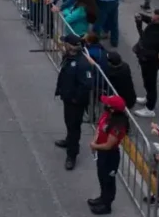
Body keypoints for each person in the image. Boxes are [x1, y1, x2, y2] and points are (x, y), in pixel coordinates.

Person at [54, 33, 94, 170]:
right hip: (68, 98)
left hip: (75, 102)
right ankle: (69, 141)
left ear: (70, 46)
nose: (63, 45)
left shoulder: (82, 64)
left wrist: (75, 98)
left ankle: (72, 154)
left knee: (74, 127)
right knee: (69, 123)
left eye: (65, 43)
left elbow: (87, 85)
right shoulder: (70, 57)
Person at [88, 94, 130, 214]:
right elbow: (99, 128)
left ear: (113, 108)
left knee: (108, 181)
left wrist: (94, 146)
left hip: (110, 156)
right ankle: (102, 198)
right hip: (101, 152)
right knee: (101, 176)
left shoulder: (117, 126)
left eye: (108, 104)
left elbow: (108, 145)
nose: (104, 104)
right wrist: (94, 140)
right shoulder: (108, 115)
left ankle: (107, 205)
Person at [131, 8, 159, 119]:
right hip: (145, 57)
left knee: (151, 82)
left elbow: (144, 39)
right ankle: (148, 97)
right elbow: (150, 20)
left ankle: (150, 108)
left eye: (155, 19)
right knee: (146, 80)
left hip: (151, 60)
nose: (152, 20)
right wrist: (141, 16)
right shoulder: (158, 24)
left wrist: (139, 25)